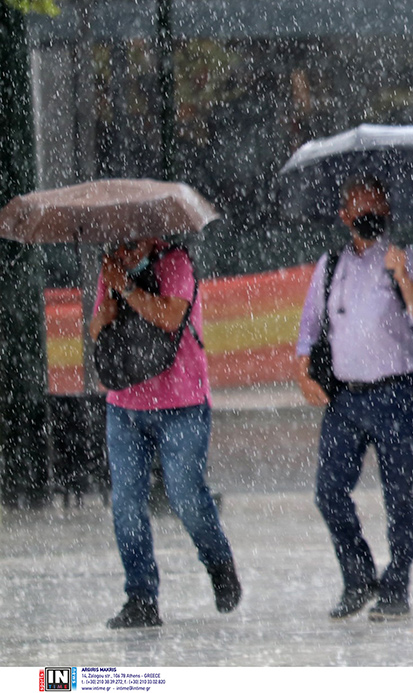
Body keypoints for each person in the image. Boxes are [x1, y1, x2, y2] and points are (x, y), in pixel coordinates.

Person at [295, 177, 413, 622]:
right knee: (329, 492)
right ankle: (358, 576)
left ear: (388, 212)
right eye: (358, 205)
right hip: (345, 397)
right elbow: (310, 325)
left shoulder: (406, 258)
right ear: (344, 215)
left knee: (398, 495)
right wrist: (301, 369)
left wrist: (402, 276)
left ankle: (396, 586)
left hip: (396, 393)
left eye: (376, 204)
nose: (368, 212)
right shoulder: (331, 264)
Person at [89, 237, 240, 629]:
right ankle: (141, 597)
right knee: (126, 504)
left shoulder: (176, 264)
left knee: (185, 495)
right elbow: (95, 330)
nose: (126, 247)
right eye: (121, 241)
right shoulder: (112, 270)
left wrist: (126, 286)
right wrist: (108, 297)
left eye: (134, 240)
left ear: (152, 235)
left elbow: (170, 316)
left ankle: (218, 560)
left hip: (182, 403)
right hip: (125, 406)